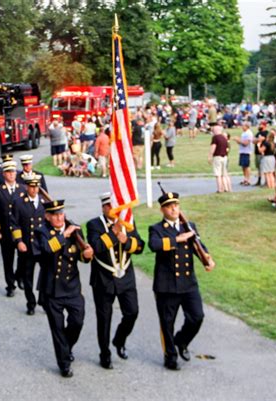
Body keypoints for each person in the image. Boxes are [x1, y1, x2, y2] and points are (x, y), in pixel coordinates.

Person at [148, 190, 215, 371]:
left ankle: (182, 341)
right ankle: (170, 356)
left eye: (176, 205)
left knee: (197, 316)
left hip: (188, 283)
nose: (173, 209)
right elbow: (154, 245)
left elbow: (198, 246)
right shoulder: (156, 229)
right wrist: (178, 239)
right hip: (167, 285)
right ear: (162, 209)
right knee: (167, 322)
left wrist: (207, 259)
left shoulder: (189, 225)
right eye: (169, 206)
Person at [32, 199, 94, 378]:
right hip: (52, 289)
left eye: (62, 214)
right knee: (57, 329)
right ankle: (64, 364)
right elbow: (45, 250)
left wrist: (87, 255)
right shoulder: (41, 232)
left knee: (78, 321)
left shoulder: (75, 230)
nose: (60, 218)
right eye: (56, 215)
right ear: (47, 217)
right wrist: (64, 235)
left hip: (72, 287)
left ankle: (66, 347)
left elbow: (81, 257)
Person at [86, 193, 145, 369]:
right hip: (104, 278)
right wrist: (114, 232)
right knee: (104, 319)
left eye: (117, 206)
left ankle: (119, 340)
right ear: (103, 208)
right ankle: (105, 353)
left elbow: (140, 246)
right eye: (111, 206)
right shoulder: (94, 224)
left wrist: (126, 240)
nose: (115, 210)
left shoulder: (127, 221)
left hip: (126, 277)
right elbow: (96, 247)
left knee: (132, 312)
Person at [10, 174, 46, 315]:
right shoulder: (19, 202)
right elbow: (15, 224)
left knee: (45, 275)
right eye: (31, 186)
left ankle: (43, 300)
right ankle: (31, 303)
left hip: (42, 247)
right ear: (26, 187)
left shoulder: (44, 203)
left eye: (36, 186)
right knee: (28, 277)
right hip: (28, 246)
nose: (34, 189)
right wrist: (19, 242)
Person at [0, 159, 26, 296]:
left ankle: (19, 275)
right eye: (8, 172)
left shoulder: (22, 189)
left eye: (13, 171)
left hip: (21, 232)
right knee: (8, 260)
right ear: (4, 174)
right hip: (5, 232)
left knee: (23, 257)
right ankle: (10, 285)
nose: (11, 174)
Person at [208, 125, 231, 193]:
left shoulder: (215, 138)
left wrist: (209, 156)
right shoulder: (224, 138)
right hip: (225, 157)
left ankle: (220, 189)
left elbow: (213, 147)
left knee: (218, 174)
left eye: (214, 130)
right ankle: (226, 188)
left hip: (217, 156)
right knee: (224, 174)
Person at [233, 121, 253, 185]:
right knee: (243, 166)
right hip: (242, 151)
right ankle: (245, 178)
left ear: (247, 126)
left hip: (246, 151)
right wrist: (237, 140)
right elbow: (241, 142)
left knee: (246, 166)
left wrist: (238, 140)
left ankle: (248, 179)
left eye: (243, 126)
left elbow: (246, 143)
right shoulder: (244, 133)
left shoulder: (249, 133)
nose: (242, 127)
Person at [253, 121, 269, 186]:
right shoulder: (258, 133)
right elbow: (254, 141)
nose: (259, 126)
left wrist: (258, 140)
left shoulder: (266, 133)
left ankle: (266, 181)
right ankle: (259, 180)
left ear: (264, 125)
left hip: (263, 152)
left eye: (260, 125)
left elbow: (262, 139)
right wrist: (258, 139)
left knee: (264, 167)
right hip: (257, 152)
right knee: (258, 167)